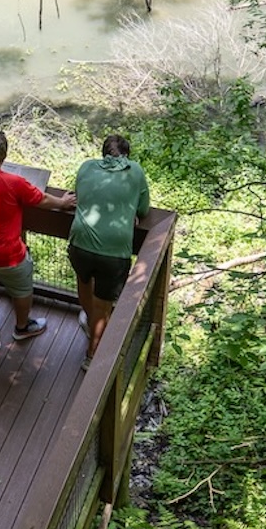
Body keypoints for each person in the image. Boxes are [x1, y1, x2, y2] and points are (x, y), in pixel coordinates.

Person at [0, 129, 73, 351]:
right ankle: (22, 327)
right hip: (8, 255)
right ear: (4, 155)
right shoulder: (15, 183)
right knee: (22, 291)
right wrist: (62, 203)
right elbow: (42, 199)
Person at [69, 134, 151, 370]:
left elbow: (82, 195)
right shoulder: (134, 171)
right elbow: (144, 208)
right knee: (103, 307)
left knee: (83, 282)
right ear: (127, 154)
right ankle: (92, 356)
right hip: (114, 252)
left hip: (79, 243)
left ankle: (89, 320)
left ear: (102, 152)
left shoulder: (86, 167)